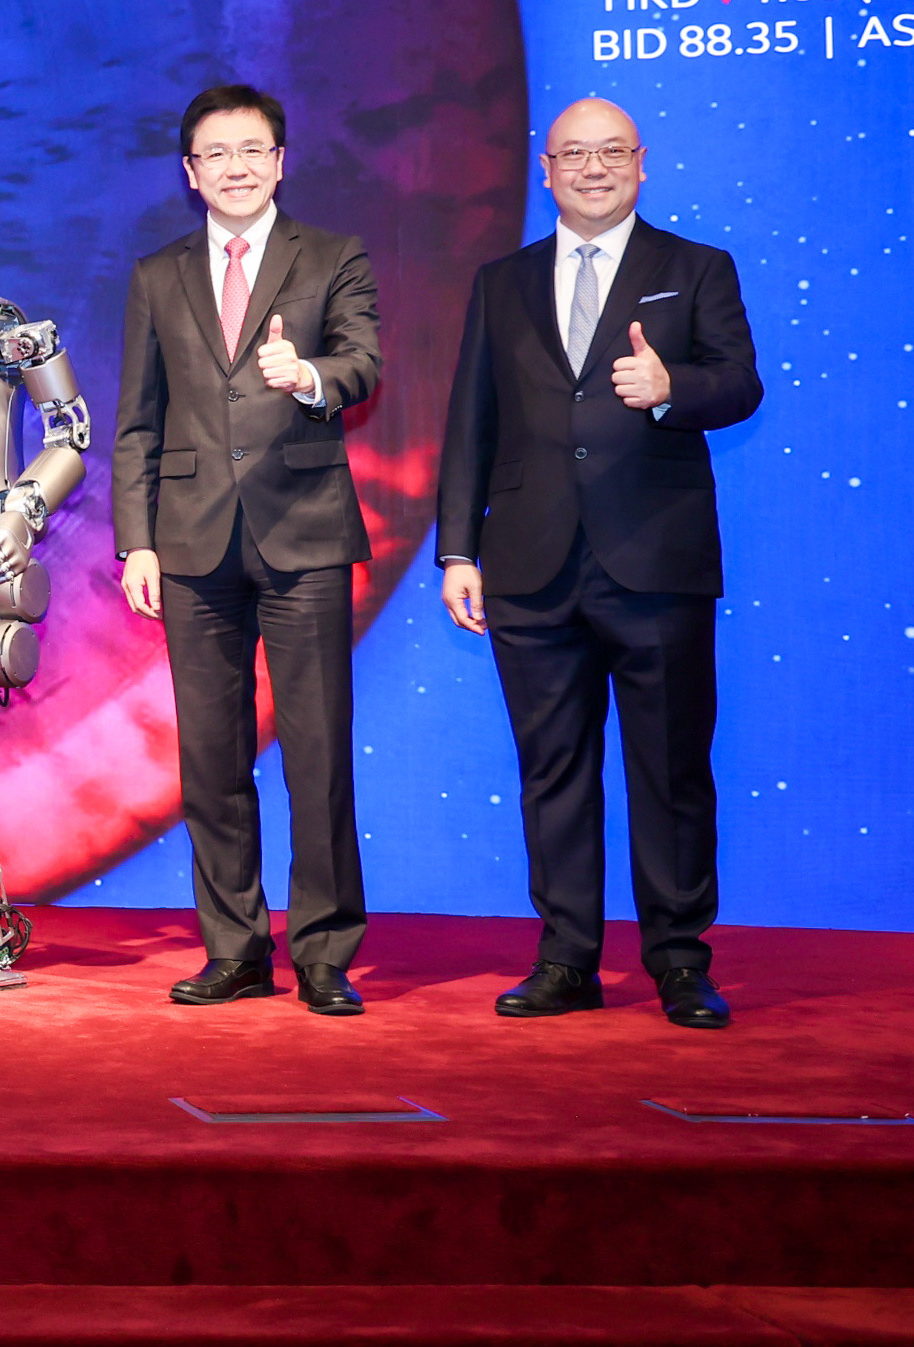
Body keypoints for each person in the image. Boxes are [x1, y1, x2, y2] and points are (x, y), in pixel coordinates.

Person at [437, 97, 760, 1030]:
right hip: (529, 563)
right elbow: (470, 421)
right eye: (573, 153)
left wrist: (670, 387)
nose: (592, 167)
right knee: (553, 769)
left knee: (671, 768)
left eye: (611, 151)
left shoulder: (696, 267)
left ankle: (680, 960)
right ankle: (566, 958)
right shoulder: (502, 280)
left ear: (641, 163)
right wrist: (458, 549)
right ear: (546, 171)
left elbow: (741, 383)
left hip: (655, 558)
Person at [112, 85, 381, 1016]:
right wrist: (136, 541)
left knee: (318, 752)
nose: (236, 166)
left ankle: (324, 951)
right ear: (191, 172)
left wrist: (306, 375)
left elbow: (363, 361)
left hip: (304, 532)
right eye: (216, 153)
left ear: (280, 161)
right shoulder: (158, 274)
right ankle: (235, 947)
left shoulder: (333, 256)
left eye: (252, 149)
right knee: (211, 759)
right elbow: (137, 423)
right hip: (191, 544)